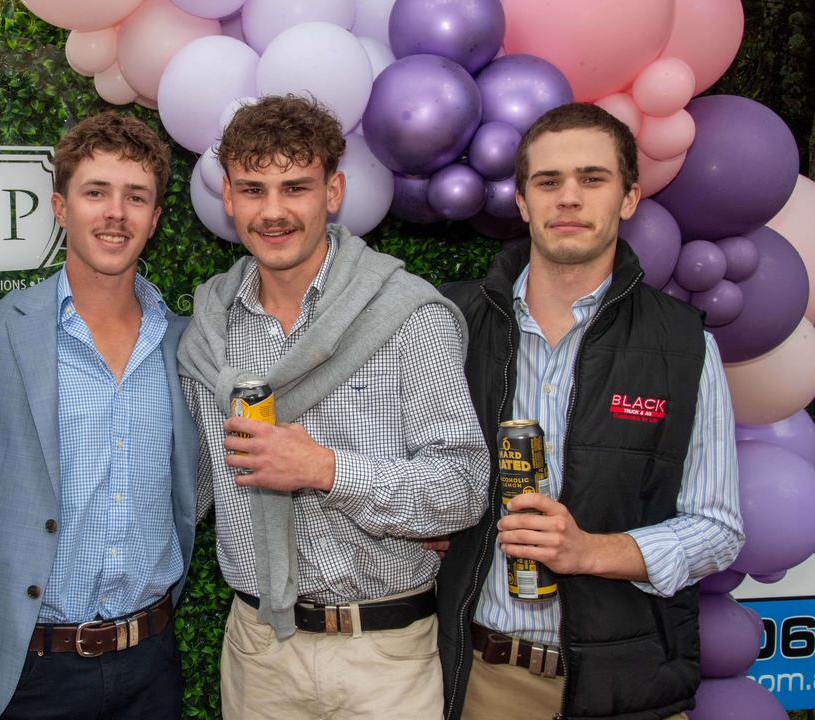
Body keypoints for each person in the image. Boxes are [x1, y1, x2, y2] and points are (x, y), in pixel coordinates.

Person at [177, 94, 489, 720]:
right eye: (252, 188)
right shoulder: (208, 332)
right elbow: (194, 485)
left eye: (295, 187)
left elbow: (463, 489)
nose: (273, 211)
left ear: (334, 191)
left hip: (383, 657)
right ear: (228, 199)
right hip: (259, 651)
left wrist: (327, 470)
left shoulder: (409, 317)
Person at [436, 102, 744, 720]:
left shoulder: (683, 345)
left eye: (592, 179)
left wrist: (589, 552)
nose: (569, 198)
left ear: (629, 198)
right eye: (548, 182)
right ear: (522, 202)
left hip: (626, 687)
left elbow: (718, 528)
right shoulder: (450, 324)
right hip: (481, 683)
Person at [0, 113, 198, 720]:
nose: (115, 213)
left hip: (151, 663)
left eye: (136, 197)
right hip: (31, 671)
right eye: (96, 192)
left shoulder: (185, 344)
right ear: (60, 208)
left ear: (154, 218)